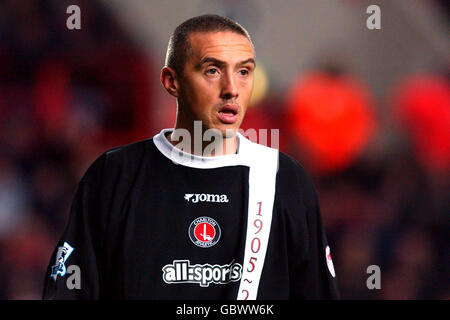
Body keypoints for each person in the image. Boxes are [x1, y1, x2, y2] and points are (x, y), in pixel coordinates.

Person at [42, 14, 339, 300]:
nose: (231, 89)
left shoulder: (282, 179)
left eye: (244, 71)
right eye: (212, 70)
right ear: (172, 81)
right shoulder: (114, 174)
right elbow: (69, 289)